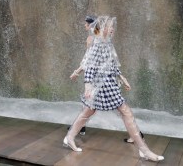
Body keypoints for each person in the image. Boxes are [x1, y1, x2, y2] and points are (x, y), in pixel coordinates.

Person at [64, 16, 164, 162]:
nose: (112, 29)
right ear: (102, 29)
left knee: (89, 111)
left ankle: (69, 137)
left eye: (112, 27)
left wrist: (122, 79)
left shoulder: (106, 43)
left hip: (108, 83)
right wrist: (87, 87)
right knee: (125, 112)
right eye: (110, 27)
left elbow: (111, 65)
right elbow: (90, 67)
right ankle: (144, 150)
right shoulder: (97, 44)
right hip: (101, 85)